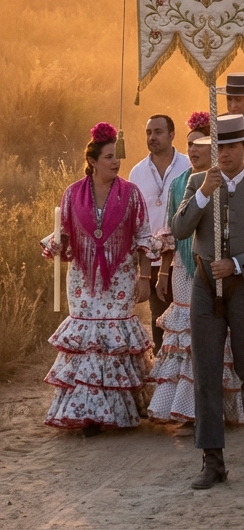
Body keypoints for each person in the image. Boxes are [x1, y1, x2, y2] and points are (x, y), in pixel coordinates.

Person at [170, 114, 244, 490]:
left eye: (232, 146)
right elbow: (180, 229)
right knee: (205, 372)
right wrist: (204, 192)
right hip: (205, 286)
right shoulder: (196, 182)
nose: (225, 153)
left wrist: (237, 263)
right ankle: (213, 460)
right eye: (219, 147)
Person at [41, 122, 155, 436]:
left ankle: (120, 410)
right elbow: (63, 233)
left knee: (113, 340)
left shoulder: (131, 194)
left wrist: (144, 276)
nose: (116, 162)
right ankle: (88, 414)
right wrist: (56, 244)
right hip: (83, 277)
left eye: (117, 156)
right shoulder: (73, 193)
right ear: (92, 161)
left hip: (120, 278)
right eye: (108, 157)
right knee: (89, 341)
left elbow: (143, 237)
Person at [148, 112, 244, 428]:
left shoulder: (227, 179)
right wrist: (164, 272)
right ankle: (184, 407)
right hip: (182, 266)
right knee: (185, 335)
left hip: (217, 267)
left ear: (214, 148)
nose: (193, 150)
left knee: (214, 333)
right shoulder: (182, 183)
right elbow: (172, 230)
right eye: (190, 144)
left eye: (200, 144)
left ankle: (216, 405)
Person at [128, 114, 190, 349]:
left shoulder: (188, 165)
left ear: (172, 135)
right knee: (158, 317)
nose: (152, 137)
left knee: (185, 317)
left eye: (158, 132)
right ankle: (163, 374)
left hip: (184, 256)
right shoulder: (137, 172)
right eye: (148, 132)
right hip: (152, 258)